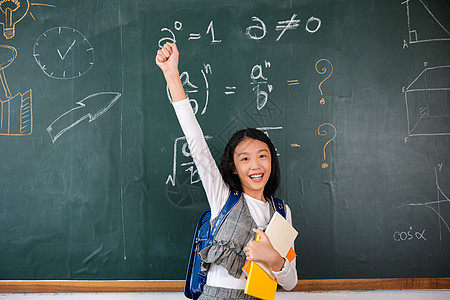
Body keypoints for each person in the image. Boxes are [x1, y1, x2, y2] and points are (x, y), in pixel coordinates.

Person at [156, 42, 297, 300]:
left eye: (262, 156)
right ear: (234, 166)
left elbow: (290, 282)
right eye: (245, 159)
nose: (255, 165)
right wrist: (172, 75)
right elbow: (196, 143)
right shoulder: (223, 198)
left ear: (271, 162)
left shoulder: (282, 212)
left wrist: (272, 257)